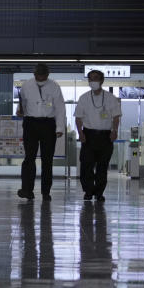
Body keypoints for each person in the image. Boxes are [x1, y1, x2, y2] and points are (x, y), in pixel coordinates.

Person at [17, 63, 66, 201]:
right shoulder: (26, 85)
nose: (40, 77)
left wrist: (59, 128)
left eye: (43, 75)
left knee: (47, 160)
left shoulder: (54, 86)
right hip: (30, 123)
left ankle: (46, 191)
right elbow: (22, 103)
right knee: (29, 158)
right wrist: (19, 111)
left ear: (48, 74)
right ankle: (27, 190)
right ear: (34, 74)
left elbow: (60, 108)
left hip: (48, 124)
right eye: (38, 75)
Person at [74, 69, 121, 202]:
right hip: (88, 135)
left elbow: (116, 117)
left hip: (105, 136)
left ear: (101, 81)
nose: (93, 81)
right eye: (90, 79)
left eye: (95, 78)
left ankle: (99, 192)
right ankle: (88, 191)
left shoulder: (110, 98)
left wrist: (115, 131)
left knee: (102, 166)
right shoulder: (83, 98)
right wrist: (80, 133)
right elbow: (78, 118)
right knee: (86, 165)